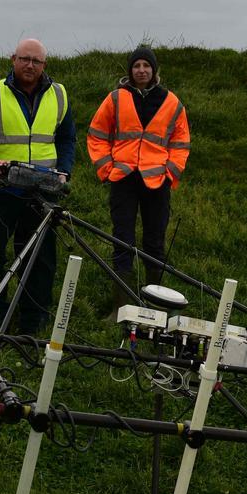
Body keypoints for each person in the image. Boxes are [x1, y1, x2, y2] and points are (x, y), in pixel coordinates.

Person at [0, 37, 73, 333]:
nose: (30, 65)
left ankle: (32, 322)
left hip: (43, 192)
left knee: (40, 259)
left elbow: (67, 138)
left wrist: (64, 171)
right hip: (2, 189)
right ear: (13, 59)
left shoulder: (59, 95)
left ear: (44, 65)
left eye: (36, 61)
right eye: (24, 59)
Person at [87, 44, 190, 305]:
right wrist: (106, 169)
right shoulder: (116, 98)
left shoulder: (171, 102)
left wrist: (170, 173)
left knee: (155, 242)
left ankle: (154, 304)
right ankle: (122, 305)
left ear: (154, 71)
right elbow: (97, 134)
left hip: (157, 182)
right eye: (137, 66)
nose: (141, 70)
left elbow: (181, 142)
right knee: (122, 240)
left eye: (146, 66)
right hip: (123, 179)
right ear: (130, 70)